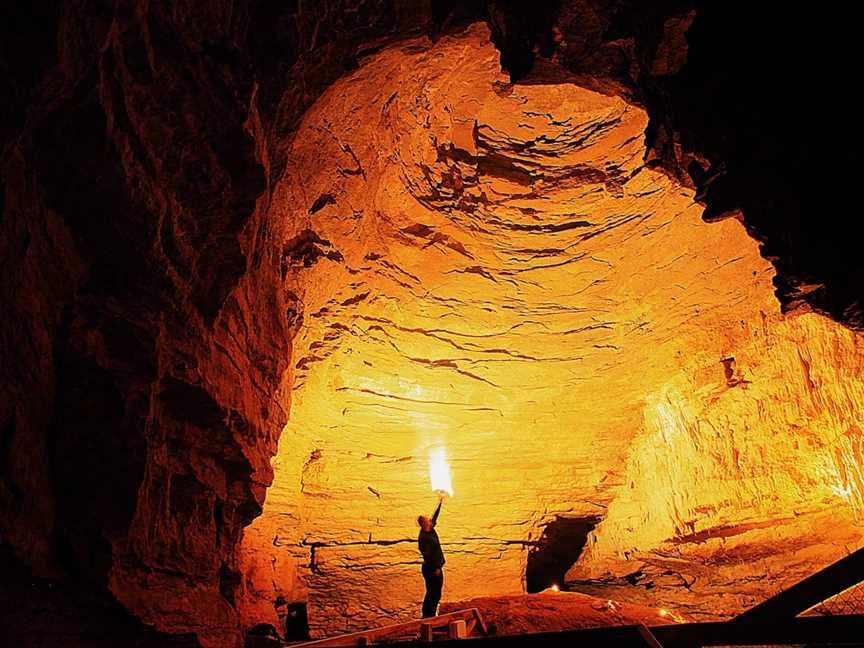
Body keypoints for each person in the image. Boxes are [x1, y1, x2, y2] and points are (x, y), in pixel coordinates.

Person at [417, 495, 445, 618]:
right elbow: (427, 556)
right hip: (431, 569)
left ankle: (430, 615)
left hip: (435, 567)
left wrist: (441, 502)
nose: (430, 520)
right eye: (428, 520)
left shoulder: (430, 529)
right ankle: (428, 616)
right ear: (424, 524)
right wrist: (437, 568)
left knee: (436, 593)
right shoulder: (424, 537)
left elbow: (435, 516)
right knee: (433, 593)